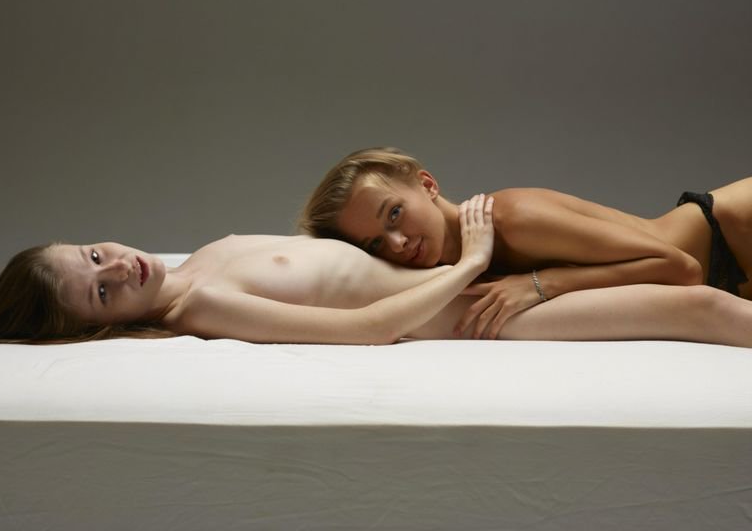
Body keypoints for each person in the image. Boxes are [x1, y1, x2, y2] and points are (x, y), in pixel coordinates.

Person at [0, 194, 752, 347]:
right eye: (101, 294)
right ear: (102, 325)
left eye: (94, 256)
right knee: (703, 309)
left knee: (684, 258)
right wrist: (474, 262)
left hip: (477, 281)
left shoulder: (190, 264)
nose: (118, 270)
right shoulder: (203, 306)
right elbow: (369, 328)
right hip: (475, 308)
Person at [299, 147, 751, 339]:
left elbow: (681, 268)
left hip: (731, 229)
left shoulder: (511, 219)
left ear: (427, 184)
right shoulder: (463, 265)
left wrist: (542, 284)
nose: (397, 243)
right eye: (375, 245)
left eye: (394, 213)